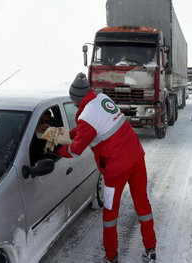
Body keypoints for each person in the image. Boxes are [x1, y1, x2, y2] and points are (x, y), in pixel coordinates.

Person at [56, 73, 157, 263]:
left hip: (115, 170)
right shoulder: (102, 99)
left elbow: (75, 150)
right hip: (136, 158)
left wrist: (57, 149)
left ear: (77, 100)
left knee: (110, 214)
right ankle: (150, 249)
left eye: (74, 101)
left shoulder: (86, 117)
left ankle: (111, 257)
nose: (74, 104)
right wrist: (70, 133)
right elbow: (92, 125)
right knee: (143, 204)